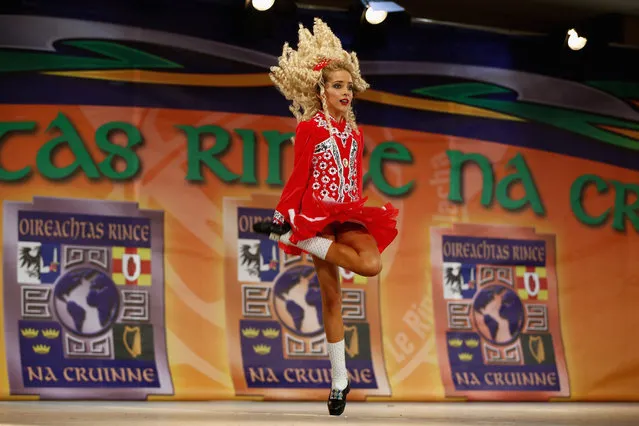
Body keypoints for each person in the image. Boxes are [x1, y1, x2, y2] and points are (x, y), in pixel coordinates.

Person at [253, 17, 399, 416]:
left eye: (349, 87)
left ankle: (293, 238)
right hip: (317, 214)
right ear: (321, 90)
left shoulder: (355, 133)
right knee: (331, 297)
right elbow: (299, 177)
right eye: (338, 86)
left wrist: (293, 229)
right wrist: (286, 213)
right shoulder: (310, 129)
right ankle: (339, 380)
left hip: (347, 212)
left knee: (371, 264)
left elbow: (352, 176)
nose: (345, 92)